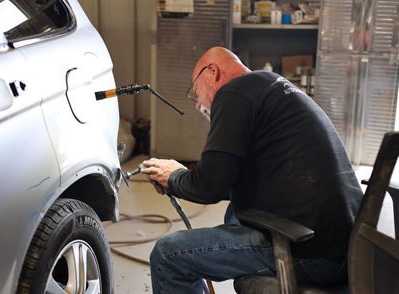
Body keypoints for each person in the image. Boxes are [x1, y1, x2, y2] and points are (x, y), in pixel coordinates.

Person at [140, 47, 363, 294]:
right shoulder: (271, 86)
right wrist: (182, 176)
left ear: (212, 72)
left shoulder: (233, 92)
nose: (199, 104)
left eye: (196, 92)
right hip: (349, 245)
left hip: (314, 253)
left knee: (168, 255)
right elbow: (226, 177)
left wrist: (173, 177)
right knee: (235, 211)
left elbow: (209, 187)